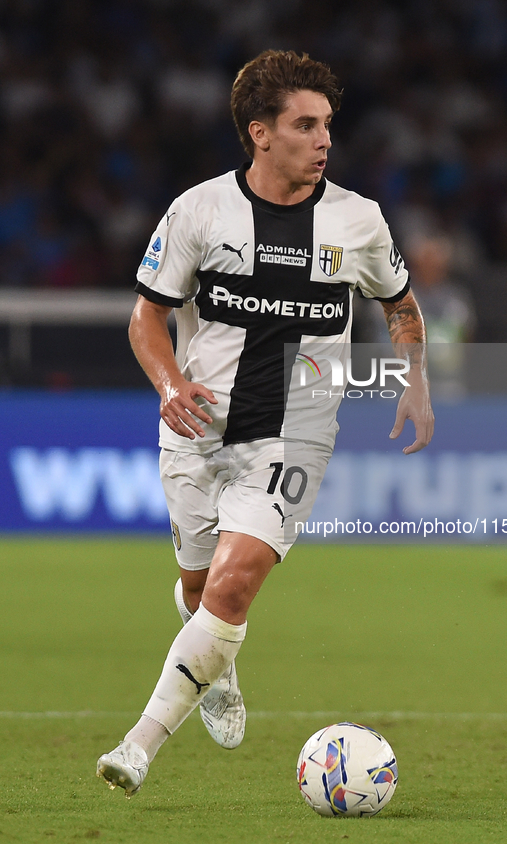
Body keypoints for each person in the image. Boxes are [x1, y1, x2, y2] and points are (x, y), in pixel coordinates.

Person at [96, 49, 434, 798]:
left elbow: (400, 302)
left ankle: (139, 744)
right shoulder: (199, 212)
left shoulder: (357, 220)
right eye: (305, 125)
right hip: (197, 424)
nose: (324, 141)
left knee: (236, 583)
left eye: (327, 126)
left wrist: (414, 380)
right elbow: (147, 317)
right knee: (197, 585)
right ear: (260, 133)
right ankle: (217, 667)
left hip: (295, 431)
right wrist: (168, 380)